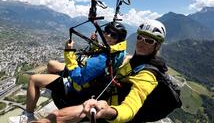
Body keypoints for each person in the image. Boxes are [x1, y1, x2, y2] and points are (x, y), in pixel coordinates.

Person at [34, 19, 181, 123]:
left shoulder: (148, 74)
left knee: (56, 117)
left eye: (149, 41)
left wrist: (110, 112)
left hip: (109, 105)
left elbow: (131, 106)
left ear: (157, 46)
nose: (142, 43)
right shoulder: (135, 60)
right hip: (107, 94)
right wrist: (96, 45)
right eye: (140, 38)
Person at [8, 22, 127, 123]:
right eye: (106, 31)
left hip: (76, 88)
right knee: (52, 64)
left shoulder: (103, 59)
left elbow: (78, 77)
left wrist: (69, 52)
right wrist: (94, 44)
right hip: (89, 78)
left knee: (34, 79)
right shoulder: (117, 52)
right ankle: (49, 91)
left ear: (119, 40)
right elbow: (97, 59)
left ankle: (28, 116)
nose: (107, 35)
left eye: (113, 35)